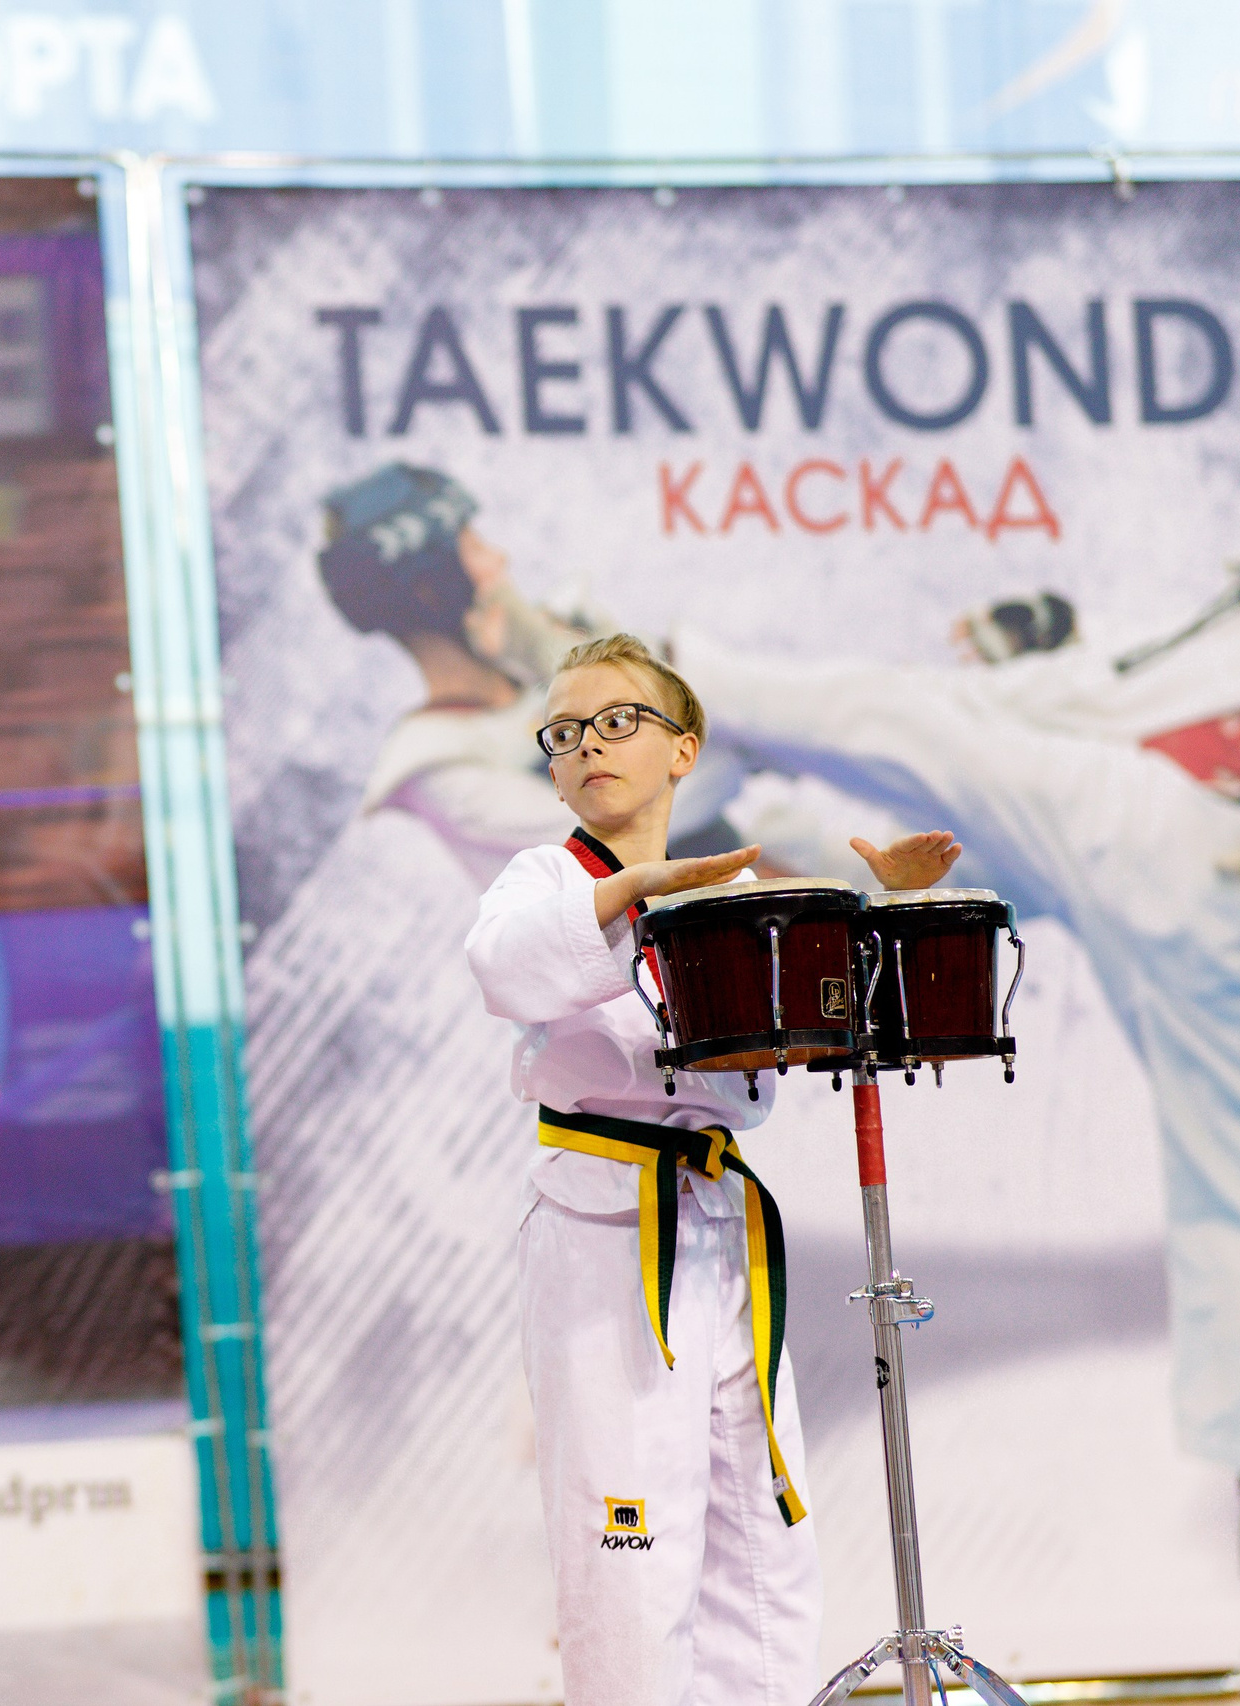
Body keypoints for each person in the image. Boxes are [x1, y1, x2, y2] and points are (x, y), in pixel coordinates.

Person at [673, 409, 1240, 1584]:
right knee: (921, 842)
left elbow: (1110, 707)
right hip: (1177, 860)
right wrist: (1047, 639)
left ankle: (693, 688)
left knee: (924, 729)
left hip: (1180, 835)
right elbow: (1121, 680)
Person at [463, 634, 957, 1704]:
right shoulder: (544, 879)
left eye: (617, 721)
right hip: (606, 1232)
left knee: (758, 1529)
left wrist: (895, 912)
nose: (587, 744)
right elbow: (502, 966)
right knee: (627, 1544)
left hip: (719, 1220)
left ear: (683, 748)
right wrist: (630, 891)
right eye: (563, 732)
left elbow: (833, 1022)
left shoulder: (733, 885)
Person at [313, 462, 597, 885]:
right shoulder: (438, 763)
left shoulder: (558, 652)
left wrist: (549, 651)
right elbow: (618, 852)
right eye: (475, 548)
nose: (500, 558)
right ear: (434, 589)